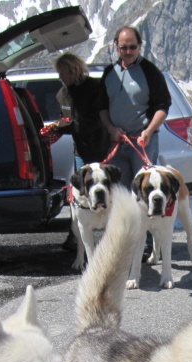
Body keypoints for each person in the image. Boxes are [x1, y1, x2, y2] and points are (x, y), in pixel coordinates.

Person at [98, 26, 172, 256]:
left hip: (142, 142)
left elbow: (163, 107)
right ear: (116, 47)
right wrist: (111, 129)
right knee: (121, 193)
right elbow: (101, 107)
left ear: (139, 46)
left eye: (132, 46)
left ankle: (150, 243)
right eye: (123, 47)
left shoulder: (149, 71)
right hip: (118, 141)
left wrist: (149, 131)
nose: (128, 51)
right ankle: (126, 241)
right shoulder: (109, 72)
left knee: (147, 192)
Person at [54, 52, 111, 250]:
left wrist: (69, 127)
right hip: (80, 150)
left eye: (63, 73)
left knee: (106, 190)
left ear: (73, 69)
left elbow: (97, 120)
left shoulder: (94, 88)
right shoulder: (62, 94)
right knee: (79, 194)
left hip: (101, 147)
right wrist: (59, 125)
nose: (60, 77)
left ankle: (110, 233)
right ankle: (76, 235)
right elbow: (65, 117)